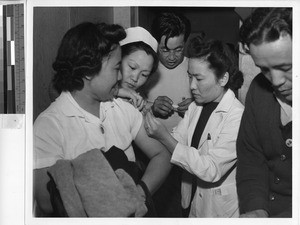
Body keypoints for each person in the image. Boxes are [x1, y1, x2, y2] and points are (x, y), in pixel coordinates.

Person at [33, 22, 171, 216]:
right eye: (117, 68)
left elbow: (162, 155)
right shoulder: (49, 126)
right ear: (89, 71)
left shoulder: (121, 108)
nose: (123, 76)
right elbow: (46, 201)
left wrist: (139, 193)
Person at [144, 37, 244, 217]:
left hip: (220, 211)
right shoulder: (195, 106)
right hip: (192, 201)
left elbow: (211, 169)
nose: (192, 86)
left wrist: (163, 136)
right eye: (190, 77)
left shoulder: (237, 116)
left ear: (222, 79)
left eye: (198, 78)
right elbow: (177, 140)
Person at [236, 8, 292, 218]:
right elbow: (251, 159)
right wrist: (256, 209)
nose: (276, 81)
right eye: (264, 69)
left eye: (287, 67)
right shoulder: (258, 91)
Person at [145, 12, 193, 131]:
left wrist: (196, 107)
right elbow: (129, 110)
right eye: (165, 50)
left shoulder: (196, 69)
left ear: (185, 43)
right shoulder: (145, 69)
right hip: (151, 144)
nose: (172, 57)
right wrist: (152, 108)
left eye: (178, 49)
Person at [118, 26, 159, 113]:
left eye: (144, 75)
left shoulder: (138, 102)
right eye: (132, 67)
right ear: (118, 58)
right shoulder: (97, 96)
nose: (135, 78)